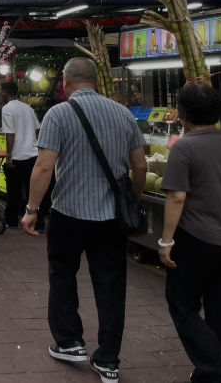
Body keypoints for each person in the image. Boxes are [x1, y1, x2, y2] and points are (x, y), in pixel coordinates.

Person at [21, 57, 146, 383]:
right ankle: (108, 361)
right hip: (110, 218)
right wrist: (132, 197)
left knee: (63, 274)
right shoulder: (123, 114)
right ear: (98, 83)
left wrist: (32, 209)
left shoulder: (58, 114)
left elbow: (44, 167)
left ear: (64, 82)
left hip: (69, 213)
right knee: (111, 285)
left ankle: (70, 342)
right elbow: (141, 166)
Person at [159, 83, 221, 383]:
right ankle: (210, 375)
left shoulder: (183, 148)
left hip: (195, 240)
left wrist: (166, 241)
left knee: (181, 304)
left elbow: (176, 198)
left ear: (183, 115)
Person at [0, 81, 40, 229]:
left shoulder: (7, 109)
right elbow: (37, 128)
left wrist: (9, 156)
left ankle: (11, 220)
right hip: (33, 155)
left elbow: (9, 134)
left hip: (17, 156)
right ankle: (36, 221)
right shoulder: (27, 108)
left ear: (5, 92)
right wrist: (29, 140)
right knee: (31, 189)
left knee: (13, 190)